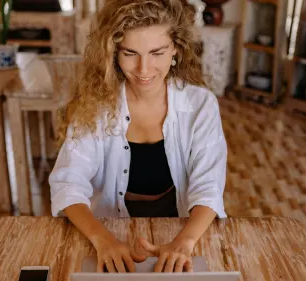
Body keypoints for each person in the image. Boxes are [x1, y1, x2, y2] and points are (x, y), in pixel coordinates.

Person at [49, 0, 228, 274]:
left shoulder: (201, 105)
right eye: (130, 53)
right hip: (106, 231)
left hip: (181, 230)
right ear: (113, 53)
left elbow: (209, 187)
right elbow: (67, 182)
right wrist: (103, 240)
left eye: (157, 52)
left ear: (175, 50)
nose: (144, 70)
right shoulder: (96, 105)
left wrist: (184, 242)